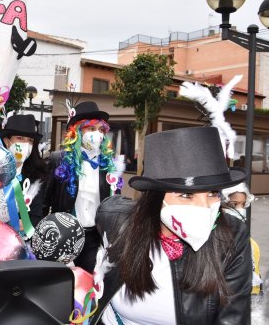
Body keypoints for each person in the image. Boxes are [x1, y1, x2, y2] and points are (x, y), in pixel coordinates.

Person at [92, 127, 251, 324]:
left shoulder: (231, 238)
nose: (204, 207)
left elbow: (234, 317)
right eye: (186, 195)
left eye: (213, 193)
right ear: (156, 198)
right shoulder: (118, 221)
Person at [43, 101, 123, 273]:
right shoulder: (59, 160)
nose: (98, 135)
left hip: (94, 238)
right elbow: (44, 201)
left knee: (87, 285)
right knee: (61, 284)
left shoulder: (110, 166)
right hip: (62, 235)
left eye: (101, 130)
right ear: (78, 131)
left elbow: (115, 206)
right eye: (91, 129)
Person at [0, 114, 50, 227]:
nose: (25, 145)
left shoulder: (36, 178)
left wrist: (22, 225)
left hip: (21, 241)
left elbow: (37, 217)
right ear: (7, 141)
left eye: (30, 141)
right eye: (20, 138)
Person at [222, 182, 262, 295]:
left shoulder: (250, 243)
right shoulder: (213, 241)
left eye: (243, 205)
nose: (240, 210)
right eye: (233, 204)